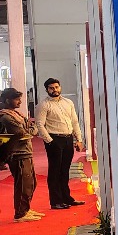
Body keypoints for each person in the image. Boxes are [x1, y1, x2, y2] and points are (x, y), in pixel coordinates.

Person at [34, 77, 84, 210]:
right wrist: (50, 141)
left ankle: (66, 198)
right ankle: (56, 201)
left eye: (56, 87)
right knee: (55, 171)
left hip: (68, 139)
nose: (54, 90)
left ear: (60, 87)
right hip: (54, 139)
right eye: (51, 88)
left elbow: (74, 122)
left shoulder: (68, 102)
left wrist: (78, 139)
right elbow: (39, 124)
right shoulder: (43, 105)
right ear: (47, 90)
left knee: (65, 170)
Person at [0, 88, 41, 223]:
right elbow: (22, 133)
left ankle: (25, 209)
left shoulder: (16, 114)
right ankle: (20, 213)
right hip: (17, 153)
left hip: (26, 151)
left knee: (31, 182)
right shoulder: (6, 117)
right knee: (24, 184)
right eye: (16, 99)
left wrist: (30, 129)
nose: (20, 102)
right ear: (7, 100)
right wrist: (31, 129)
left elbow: (31, 128)